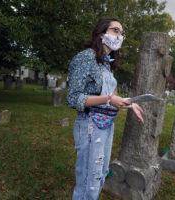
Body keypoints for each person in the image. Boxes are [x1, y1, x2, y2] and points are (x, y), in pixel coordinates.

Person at [66, 18, 144, 200]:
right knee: (88, 182)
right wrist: (109, 99)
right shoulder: (85, 57)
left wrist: (129, 102)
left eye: (121, 33)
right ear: (102, 33)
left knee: (100, 177)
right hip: (90, 126)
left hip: (106, 126)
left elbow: (110, 97)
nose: (119, 36)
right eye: (115, 30)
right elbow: (73, 98)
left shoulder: (106, 64)